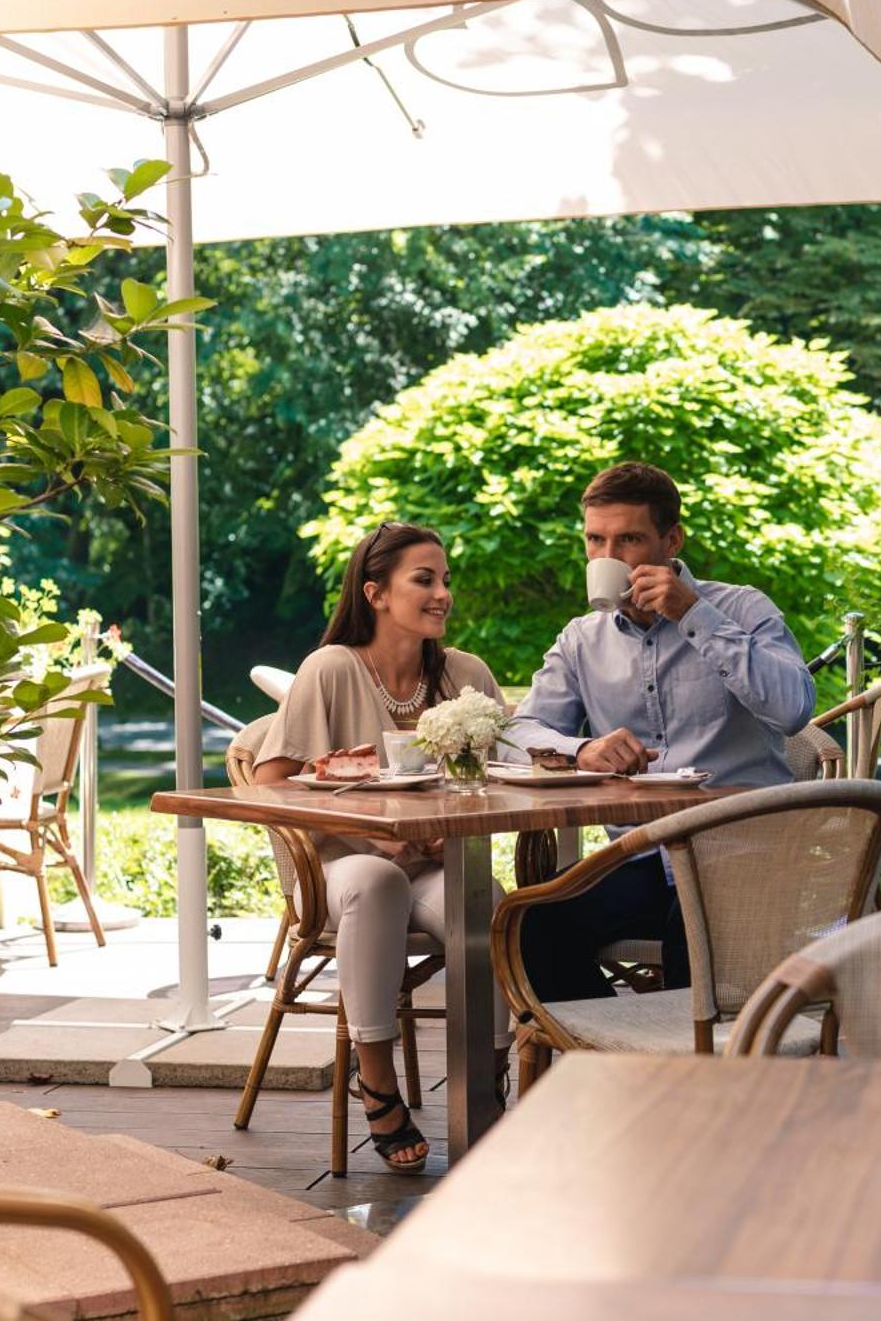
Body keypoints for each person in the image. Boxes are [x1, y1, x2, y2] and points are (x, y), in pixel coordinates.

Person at [506, 462, 815, 1000]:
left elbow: (792, 709)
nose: (607, 558)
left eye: (627, 540)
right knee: (533, 924)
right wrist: (583, 749)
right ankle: (620, 1065)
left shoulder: (741, 609)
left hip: (746, 852)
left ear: (671, 540)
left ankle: (689, 1074)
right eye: (594, 540)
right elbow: (518, 733)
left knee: (694, 932)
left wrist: (693, 614)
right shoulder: (582, 639)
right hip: (643, 854)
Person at [252, 522, 506, 1172]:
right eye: (424, 578)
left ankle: (490, 1083)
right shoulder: (332, 669)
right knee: (375, 878)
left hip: (436, 859)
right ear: (375, 592)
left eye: (445, 578)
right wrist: (370, 827)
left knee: (486, 899)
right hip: (342, 863)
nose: (442, 592)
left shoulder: (464, 674)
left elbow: (508, 776)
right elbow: (270, 782)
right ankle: (378, 1082)